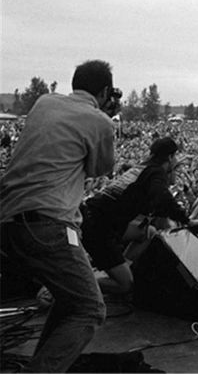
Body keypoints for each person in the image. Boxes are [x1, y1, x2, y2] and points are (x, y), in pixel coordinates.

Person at [0, 59, 119, 372]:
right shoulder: (100, 122)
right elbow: (100, 168)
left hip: (9, 221)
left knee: (71, 303)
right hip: (49, 224)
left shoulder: (44, 102)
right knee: (91, 309)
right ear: (106, 91)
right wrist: (105, 118)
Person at [80, 137, 198, 295]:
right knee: (125, 285)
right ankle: (72, 285)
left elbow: (156, 207)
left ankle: (124, 267)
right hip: (98, 228)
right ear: (170, 157)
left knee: (148, 232)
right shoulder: (156, 172)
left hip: (98, 219)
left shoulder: (142, 167)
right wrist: (187, 221)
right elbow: (162, 197)